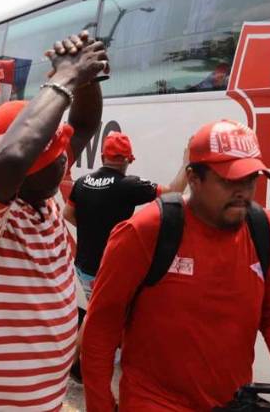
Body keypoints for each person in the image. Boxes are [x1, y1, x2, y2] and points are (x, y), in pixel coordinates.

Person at [81, 120, 270, 411]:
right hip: (155, 402)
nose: (243, 192)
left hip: (232, 402)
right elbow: (100, 330)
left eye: (250, 180)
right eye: (229, 181)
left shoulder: (265, 230)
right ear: (194, 178)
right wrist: (100, 405)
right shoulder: (147, 230)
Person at [0, 31, 105, 411]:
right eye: (56, 156)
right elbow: (12, 160)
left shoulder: (44, 194)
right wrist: (61, 79)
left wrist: (86, 77)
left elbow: (86, 124)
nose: (66, 161)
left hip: (39, 402)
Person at [62, 131, 188, 380]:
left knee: (99, 313)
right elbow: (173, 192)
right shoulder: (128, 185)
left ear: (102, 156)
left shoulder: (82, 182)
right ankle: (77, 363)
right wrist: (186, 163)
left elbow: (68, 214)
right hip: (109, 267)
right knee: (102, 317)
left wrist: (91, 230)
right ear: (127, 160)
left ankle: (79, 362)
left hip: (84, 266)